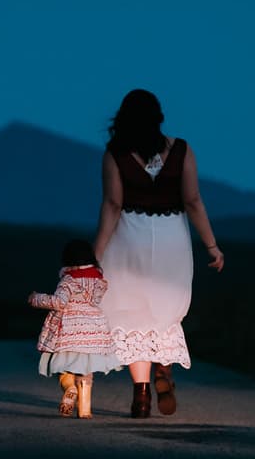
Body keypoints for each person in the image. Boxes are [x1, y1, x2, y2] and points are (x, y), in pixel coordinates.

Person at [92, 89, 224, 418]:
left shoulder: (115, 153)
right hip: (171, 240)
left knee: (133, 314)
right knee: (164, 311)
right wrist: (211, 245)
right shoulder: (181, 150)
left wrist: (95, 254)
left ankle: (140, 397)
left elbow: (113, 204)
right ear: (158, 117)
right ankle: (164, 369)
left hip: (128, 239)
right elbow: (193, 200)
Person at [27, 238, 122, 418]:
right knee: (86, 370)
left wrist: (37, 298)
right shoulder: (99, 280)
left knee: (64, 367)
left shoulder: (69, 280)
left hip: (70, 330)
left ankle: (70, 388)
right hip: (95, 329)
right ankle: (85, 409)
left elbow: (59, 302)